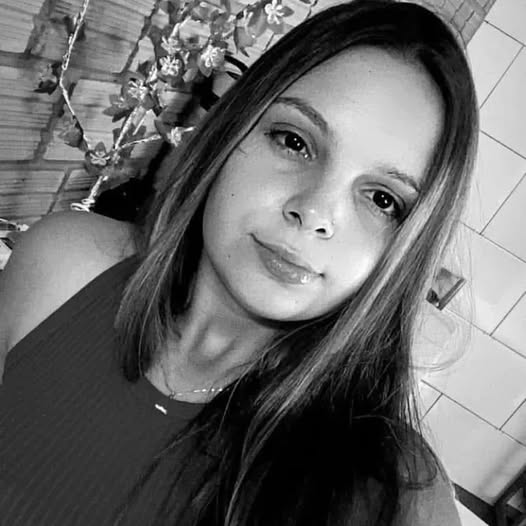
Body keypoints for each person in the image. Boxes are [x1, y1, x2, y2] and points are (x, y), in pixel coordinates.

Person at [0, 0, 478, 524]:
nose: (315, 213)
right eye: (294, 141)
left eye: (383, 200)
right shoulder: (61, 267)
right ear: (234, 128)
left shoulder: (395, 493)